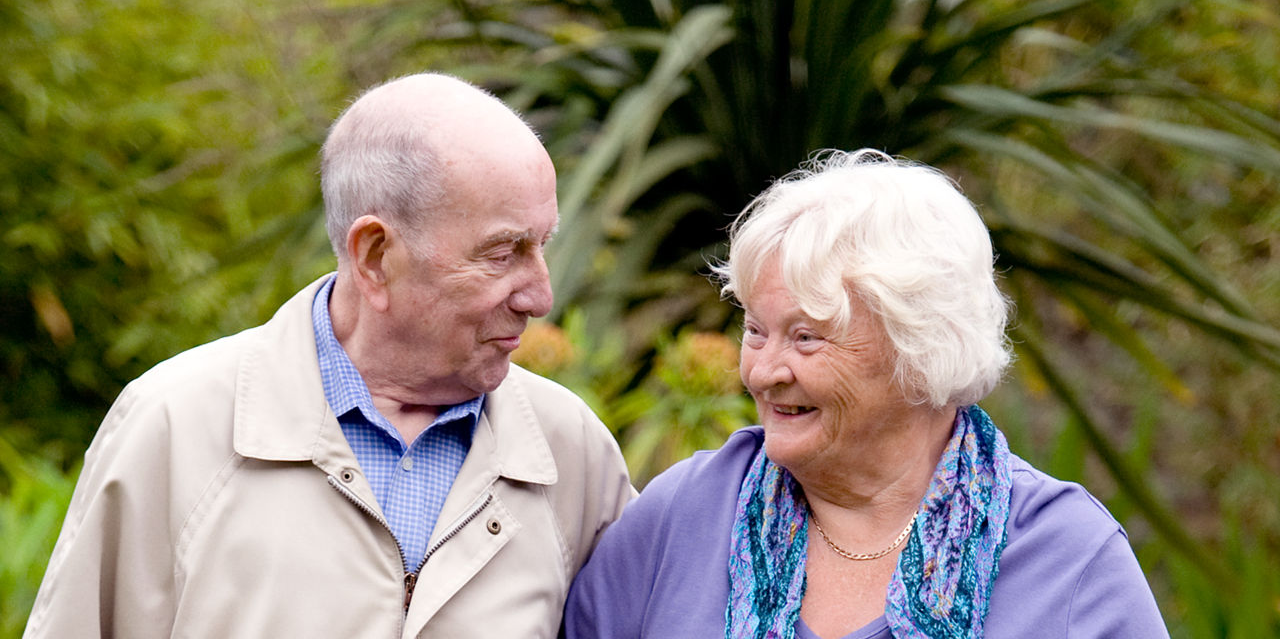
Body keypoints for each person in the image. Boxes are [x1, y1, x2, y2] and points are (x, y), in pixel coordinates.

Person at [25, 73, 634, 638]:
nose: (542, 295)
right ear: (373, 256)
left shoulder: (572, 452)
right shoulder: (174, 426)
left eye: (542, 244)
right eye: (504, 252)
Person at [563, 149, 1169, 638]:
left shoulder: (1067, 559)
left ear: (921, 348)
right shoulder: (685, 515)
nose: (764, 371)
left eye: (806, 338)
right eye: (755, 329)